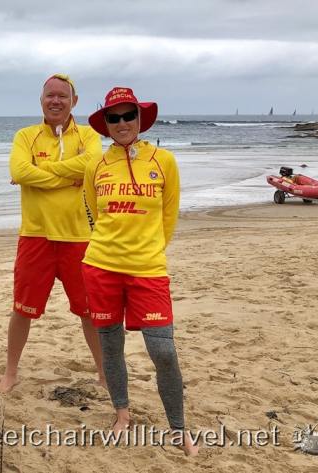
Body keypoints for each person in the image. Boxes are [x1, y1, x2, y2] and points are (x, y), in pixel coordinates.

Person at [83, 87, 198, 455]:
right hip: (101, 266)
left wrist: (147, 251)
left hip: (148, 270)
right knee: (111, 347)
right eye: (113, 118)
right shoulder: (95, 166)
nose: (121, 124)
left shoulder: (163, 160)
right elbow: (94, 215)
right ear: (106, 124)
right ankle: (122, 413)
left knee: (162, 351)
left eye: (127, 115)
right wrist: (113, 248)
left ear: (139, 118)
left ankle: (179, 429)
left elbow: (169, 215)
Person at [0, 74, 105, 393]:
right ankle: (11, 372)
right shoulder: (26, 135)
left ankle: (103, 373)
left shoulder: (88, 135)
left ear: (74, 101)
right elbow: (18, 171)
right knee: (22, 309)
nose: (55, 101)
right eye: (50, 96)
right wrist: (67, 176)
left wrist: (40, 174)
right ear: (41, 100)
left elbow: (92, 165)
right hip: (36, 235)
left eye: (62, 96)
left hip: (79, 237)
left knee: (90, 311)